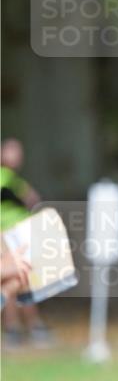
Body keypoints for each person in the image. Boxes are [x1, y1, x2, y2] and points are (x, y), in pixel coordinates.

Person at [1, 138, 52, 347]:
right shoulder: (6, 178)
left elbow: (33, 200)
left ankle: (28, 326)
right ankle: (15, 327)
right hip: (5, 236)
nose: (16, 156)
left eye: (18, 152)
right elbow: (31, 198)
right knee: (15, 279)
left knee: (24, 280)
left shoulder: (14, 179)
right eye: (12, 151)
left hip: (20, 235)